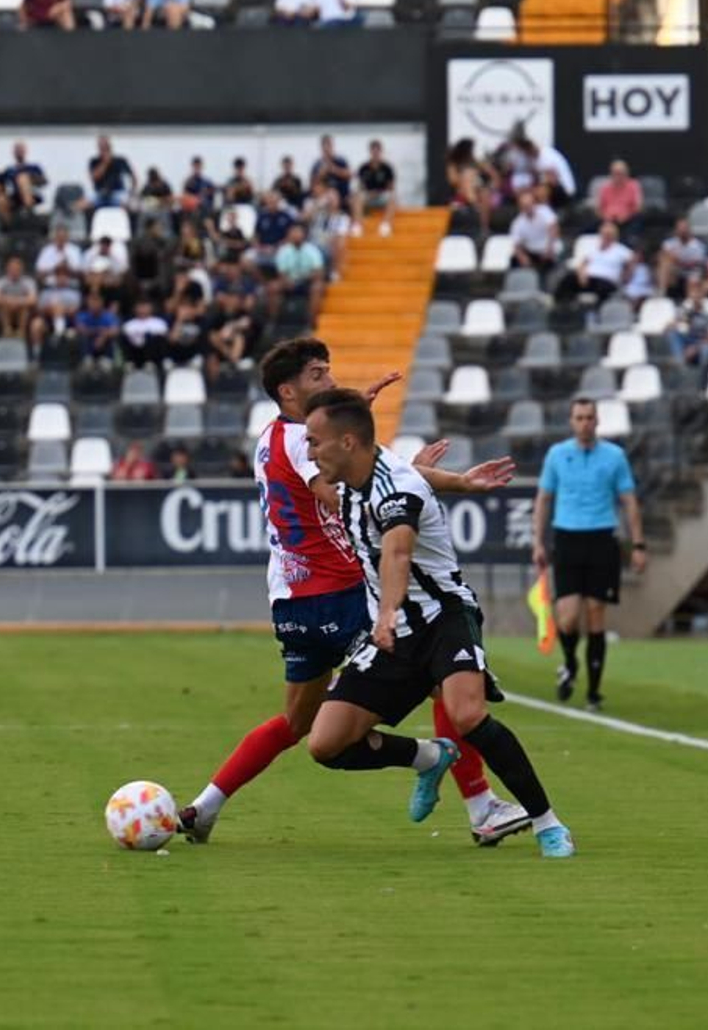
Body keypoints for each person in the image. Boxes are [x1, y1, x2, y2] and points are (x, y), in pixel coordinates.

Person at [177, 338, 530, 848]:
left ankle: (205, 807)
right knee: (442, 679)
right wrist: (422, 476)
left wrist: (373, 447)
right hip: (342, 593)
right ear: (288, 389)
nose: (329, 379)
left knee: (297, 721)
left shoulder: (269, 436)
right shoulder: (303, 440)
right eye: (318, 375)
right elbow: (344, 492)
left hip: (290, 600)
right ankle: (479, 805)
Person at [301, 388, 575, 859]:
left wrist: (386, 612)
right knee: (325, 744)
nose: (309, 452)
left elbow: (398, 552)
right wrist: (460, 482)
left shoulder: (396, 489)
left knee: (467, 714)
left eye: (314, 442)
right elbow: (413, 472)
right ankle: (430, 757)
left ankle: (548, 824)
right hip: (394, 636)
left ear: (347, 442)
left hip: (443, 616)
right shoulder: (365, 471)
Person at [531, 398, 645, 712]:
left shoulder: (614, 456)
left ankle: (594, 693)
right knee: (567, 617)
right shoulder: (557, 454)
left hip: (601, 538)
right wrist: (538, 542)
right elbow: (544, 499)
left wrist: (638, 544)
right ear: (571, 421)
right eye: (579, 417)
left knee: (596, 613)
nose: (584, 423)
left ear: (597, 421)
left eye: (589, 417)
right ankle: (569, 663)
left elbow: (629, 501)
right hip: (567, 538)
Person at [349, 139, 396, 238]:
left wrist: (380, 192)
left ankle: (385, 225)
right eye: (373, 151)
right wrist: (368, 193)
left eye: (377, 151)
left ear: (381, 152)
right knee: (356, 197)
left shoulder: (387, 168)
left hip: (381, 196)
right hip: (368, 196)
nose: (375, 154)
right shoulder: (363, 168)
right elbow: (360, 186)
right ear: (370, 152)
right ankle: (358, 226)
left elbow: (391, 188)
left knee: (392, 197)